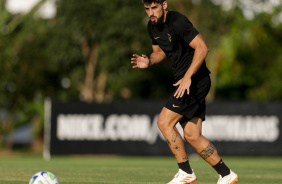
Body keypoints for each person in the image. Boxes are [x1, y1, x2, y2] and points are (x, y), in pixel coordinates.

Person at [131, 1, 239, 184]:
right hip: (186, 82)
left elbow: (202, 48)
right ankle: (226, 174)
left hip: (194, 80)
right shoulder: (152, 26)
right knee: (192, 135)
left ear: (164, 5)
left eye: (154, 7)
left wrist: (188, 77)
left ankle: (185, 172)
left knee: (164, 122)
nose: (151, 12)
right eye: (147, 9)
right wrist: (149, 61)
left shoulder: (178, 21)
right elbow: (159, 52)